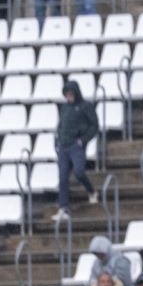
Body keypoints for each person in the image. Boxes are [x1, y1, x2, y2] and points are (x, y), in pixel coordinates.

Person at [51, 81, 99, 224]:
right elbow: (61, 125)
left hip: (76, 146)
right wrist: (57, 142)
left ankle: (91, 191)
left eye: (71, 94)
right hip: (63, 146)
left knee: (79, 172)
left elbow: (94, 126)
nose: (69, 97)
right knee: (63, 177)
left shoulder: (86, 106)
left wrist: (83, 140)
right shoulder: (64, 108)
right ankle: (63, 207)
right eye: (66, 94)